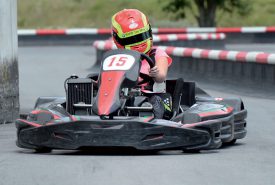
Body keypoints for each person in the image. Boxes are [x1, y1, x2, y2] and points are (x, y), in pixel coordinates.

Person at [111, 9, 173, 119]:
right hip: (122, 98)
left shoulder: (157, 54)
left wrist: (156, 73)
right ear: (117, 39)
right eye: (131, 39)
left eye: (141, 36)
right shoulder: (117, 58)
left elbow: (161, 77)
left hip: (152, 97)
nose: (138, 44)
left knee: (152, 103)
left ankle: (148, 119)